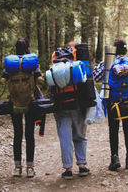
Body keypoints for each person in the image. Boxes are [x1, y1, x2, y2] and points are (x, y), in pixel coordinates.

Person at [93, 38, 128, 171]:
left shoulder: (108, 62)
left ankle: (115, 159)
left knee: (113, 130)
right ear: (125, 49)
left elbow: (95, 77)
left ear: (113, 49)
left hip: (113, 101)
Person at [1, 37, 43, 178]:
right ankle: (30, 168)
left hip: (14, 102)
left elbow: (3, 79)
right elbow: (39, 78)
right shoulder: (32, 63)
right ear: (27, 47)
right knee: (29, 134)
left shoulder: (10, 63)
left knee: (17, 134)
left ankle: (17, 167)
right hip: (30, 102)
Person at [51, 41, 90, 180]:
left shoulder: (56, 56)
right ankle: (82, 165)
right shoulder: (79, 56)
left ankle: (68, 169)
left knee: (65, 137)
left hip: (61, 104)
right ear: (76, 48)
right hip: (77, 104)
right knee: (80, 135)